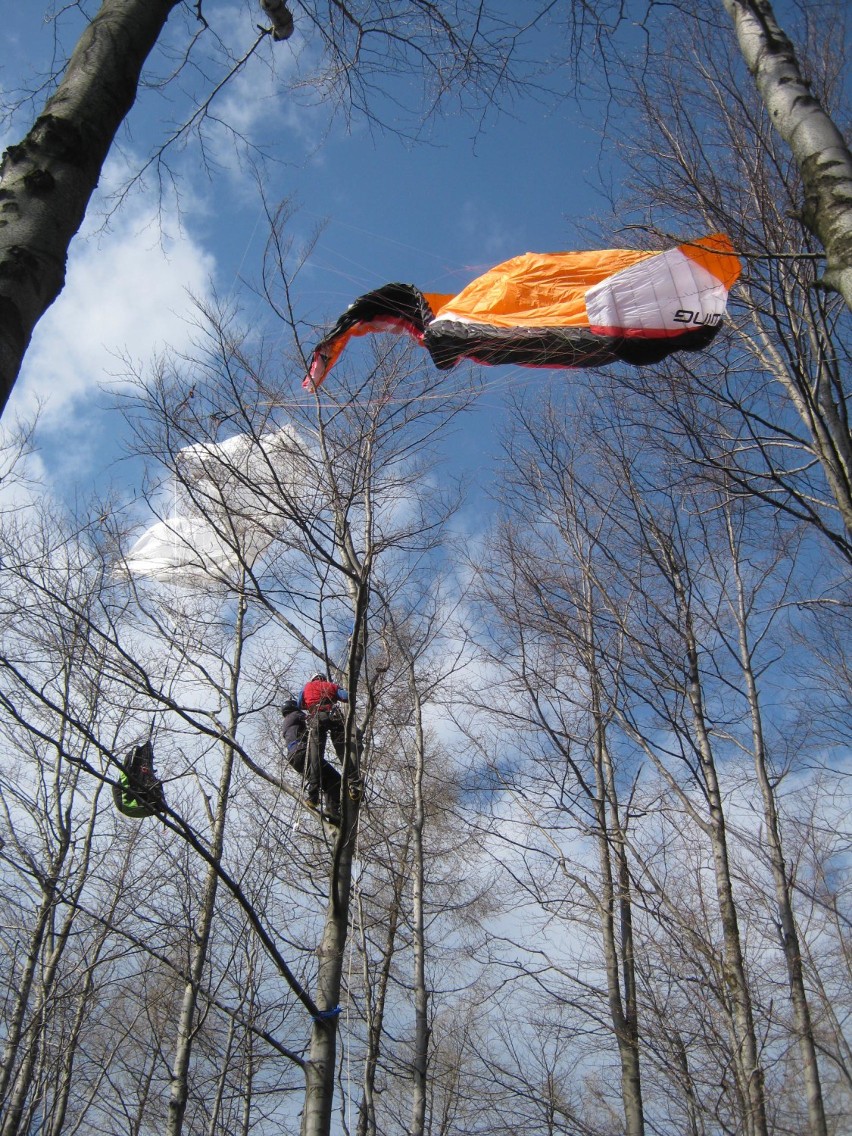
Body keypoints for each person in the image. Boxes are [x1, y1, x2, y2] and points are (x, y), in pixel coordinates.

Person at [299, 673, 363, 805]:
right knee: (342, 751)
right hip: (334, 717)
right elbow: (346, 697)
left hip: (316, 718)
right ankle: (355, 786)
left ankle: (313, 796)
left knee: (316, 757)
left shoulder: (306, 687)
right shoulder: (331, 686)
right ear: (323, 679)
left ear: (313, 680)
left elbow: (300, 704)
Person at [281, 694, 342, 826]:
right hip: (303, 752)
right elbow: (315, 719)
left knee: (326, 781)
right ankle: (329, 807)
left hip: (295, 758)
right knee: (335, 779)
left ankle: (333, 815)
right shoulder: (295, 715)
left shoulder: (287, 722)